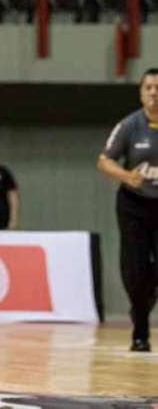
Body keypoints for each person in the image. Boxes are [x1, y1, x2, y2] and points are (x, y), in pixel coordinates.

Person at [97, 68, 158, 353]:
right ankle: (140, 332)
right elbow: (104, 161)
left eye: (157, 88)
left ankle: (146, 298)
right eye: (148, 87)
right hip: (134, 204)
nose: (154, 93)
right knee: (134, 270)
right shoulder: (130, 125)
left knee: (152, 273)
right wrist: (125, 176)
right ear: (141, 92)